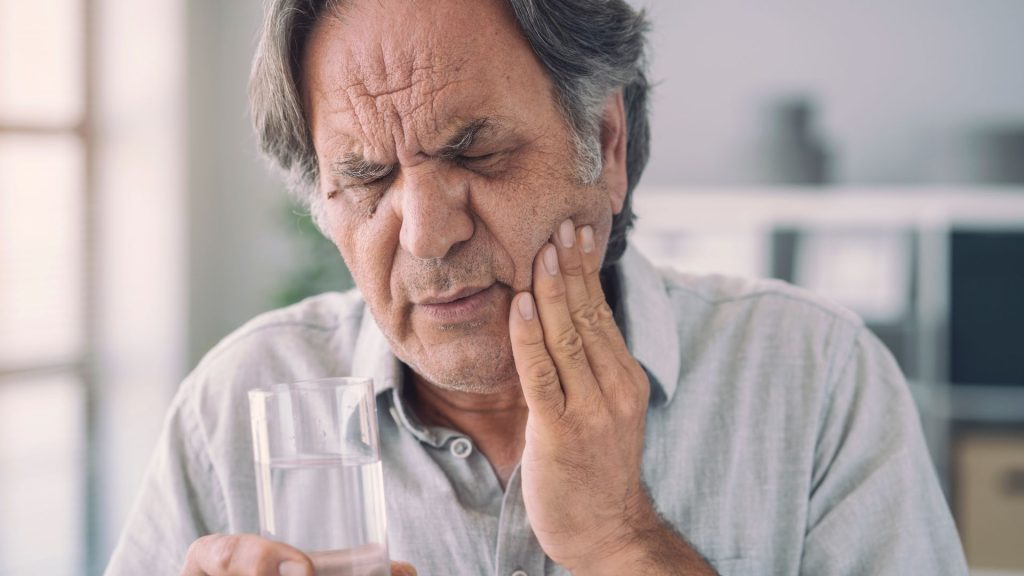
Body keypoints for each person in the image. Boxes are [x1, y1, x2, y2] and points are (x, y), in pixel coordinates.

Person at [106, 0, 968, 574]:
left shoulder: (813, 377)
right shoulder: (240, 400)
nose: (428, 232)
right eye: (365, 178)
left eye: (478, 154)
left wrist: (619, 537)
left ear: (606, 142)